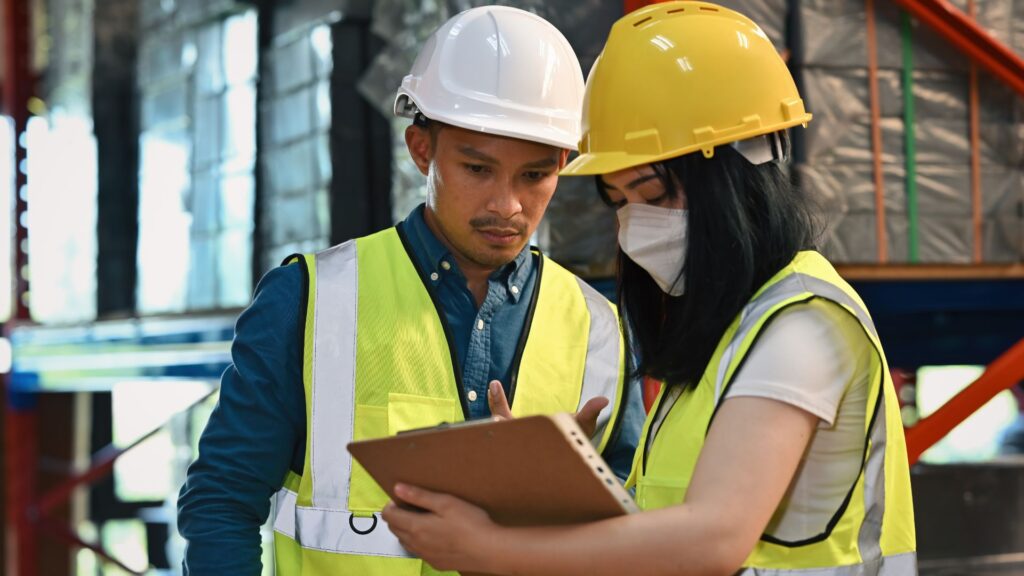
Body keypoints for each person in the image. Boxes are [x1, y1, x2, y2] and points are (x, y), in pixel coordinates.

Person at [381, 3, 917, 575]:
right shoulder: (724, 341)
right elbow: (658, 533)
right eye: (619, 201)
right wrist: (544, 485)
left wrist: (492, 551)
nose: (637, 226)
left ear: (735, 174)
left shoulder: (805, 322)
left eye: (654, 194)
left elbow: (713, 538)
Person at [177, 6, 645, 575]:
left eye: (535, 175)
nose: (508, 205)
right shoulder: (309, 301)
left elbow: (633, 535)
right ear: (422, 149)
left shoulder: (600, 330)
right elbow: (222, 501)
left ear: (564, 165)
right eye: (477, 169)